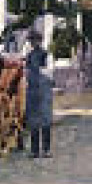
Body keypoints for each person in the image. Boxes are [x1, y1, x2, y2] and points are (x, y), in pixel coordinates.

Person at [24, 29, 54, 158]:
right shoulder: (29, 56)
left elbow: (49, 72)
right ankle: (35, 150)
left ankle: (46, 150)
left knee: (45, 121)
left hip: (44, 91)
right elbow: (26, 72)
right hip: (32, 91)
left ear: (39, 41)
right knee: (34, 122)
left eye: (34, 40)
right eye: (31, 41)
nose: (32, 43)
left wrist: (37, 72)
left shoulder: (46, 55)